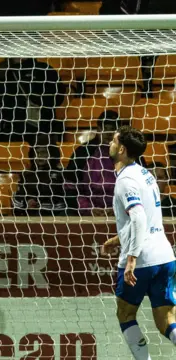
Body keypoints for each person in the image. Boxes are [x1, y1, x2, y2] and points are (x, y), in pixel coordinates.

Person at [101, 126, 176, 360]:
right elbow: (150, 218)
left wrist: (131, 257)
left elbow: (139, 217)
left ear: (122, 149)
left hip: (141, 260)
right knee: (166, 320)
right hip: (164, 256)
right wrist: (117, 238)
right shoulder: (145, 174)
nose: (110, 144)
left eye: (113, 141)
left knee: (125, 314)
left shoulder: (125, 181)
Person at [12, 136, 66, 216]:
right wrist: (27, 202)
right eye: (37, 153)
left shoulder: (61, 174)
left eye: (44, 153)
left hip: (54, 217)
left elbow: (64, 201)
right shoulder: (26, 175)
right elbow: (17, 198)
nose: (39, 156)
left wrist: (43, 206)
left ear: (52, 154)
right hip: (29, 216)